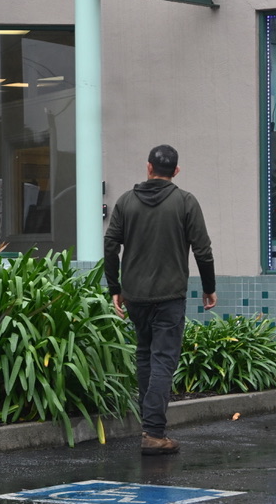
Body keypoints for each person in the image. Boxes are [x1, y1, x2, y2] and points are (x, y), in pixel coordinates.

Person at [103, 144, 217, 456]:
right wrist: (209, 288)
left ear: (149, 167)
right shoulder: (185, 202)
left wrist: (115, 287)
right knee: (163, 359)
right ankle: (153, 432)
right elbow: (203, 250)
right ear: (176, 171)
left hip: (135, 295)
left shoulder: (126, 202)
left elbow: (110, 244)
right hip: (169, 295)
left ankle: (149, 425)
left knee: (145, 355)